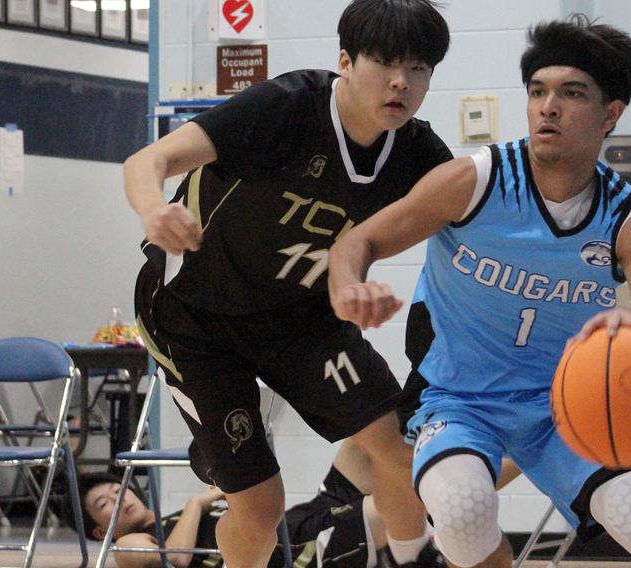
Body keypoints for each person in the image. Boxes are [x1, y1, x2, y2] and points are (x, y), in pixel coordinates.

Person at [327, 14, 631, 568]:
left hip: (566, 404)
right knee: (462, 515)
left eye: (571, 93)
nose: (548, 107)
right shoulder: (475, 181)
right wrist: (349, 287)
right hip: (457, 398)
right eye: (538, 92)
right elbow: (356, 242)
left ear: (611, 114)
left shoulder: (629, 222)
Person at [123, 1, 452, 566]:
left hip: (300, 320)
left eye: (420, 69)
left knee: (399, 452)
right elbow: (147, 160)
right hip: (195, 317)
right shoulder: (286, 108)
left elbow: (475, 225)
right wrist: (154, 208)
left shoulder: (421, 155)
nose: (402, 82)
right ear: (345, 61)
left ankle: (407, 558)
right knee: (259, 505)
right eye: (386, 63)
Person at [71, 444, 385, 568]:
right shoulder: (125, 544)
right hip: (293, 553)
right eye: (104, 504)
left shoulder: (174, 518)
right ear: (100, 531)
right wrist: (197, 502)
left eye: (117, 490)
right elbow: (177, 558)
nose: (118, 499)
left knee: (372, 435)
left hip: (289, 525)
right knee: (387, 508)